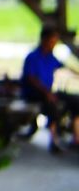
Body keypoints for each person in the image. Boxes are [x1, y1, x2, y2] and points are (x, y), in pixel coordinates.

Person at [20, 25, 79, 154]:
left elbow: (65, 67)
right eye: (52, 41)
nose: (53, 44)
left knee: (76, 101)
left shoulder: (51, 57)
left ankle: (76, 138)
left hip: (48, 91)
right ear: (44, 40)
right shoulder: (33, 57)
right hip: (33, 93)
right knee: (53, 106)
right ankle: (54, 141)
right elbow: (31, 79)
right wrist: (47, 93)